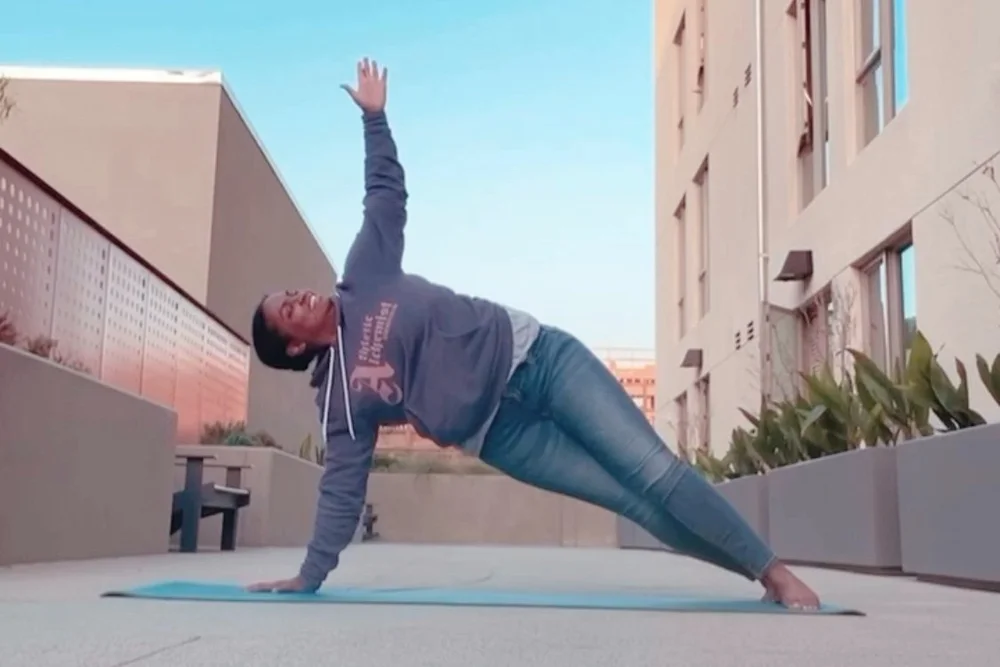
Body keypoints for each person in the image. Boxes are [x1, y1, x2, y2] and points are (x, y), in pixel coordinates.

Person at [246, 58, 821, 611]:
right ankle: (755, 573)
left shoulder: (363, 275)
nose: (299, 297)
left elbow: (384, 197)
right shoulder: (341, 403)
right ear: (294, 346)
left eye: (291, 292)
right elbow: (342, 487)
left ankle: (774, 570)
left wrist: (374, 118)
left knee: (654, 473)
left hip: (540, 359)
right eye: (287, 310)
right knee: (634, 504)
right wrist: (310, 574)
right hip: (503, 435)